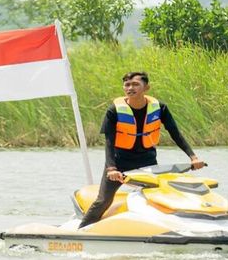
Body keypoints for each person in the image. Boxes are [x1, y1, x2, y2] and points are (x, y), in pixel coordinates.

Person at [78, 71, 206, 228]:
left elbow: (175, 134)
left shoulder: (160, 108)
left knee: (159, 195)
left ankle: (167, 227)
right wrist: (111, 168)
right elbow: (109, 142)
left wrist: (193, 157)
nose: (130, 88)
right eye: (127, 85)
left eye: (135, 84)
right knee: (103, 200)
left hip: (147, 162)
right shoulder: (114, 111)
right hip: (119, 163)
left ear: (147, 87)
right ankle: (81, 232)